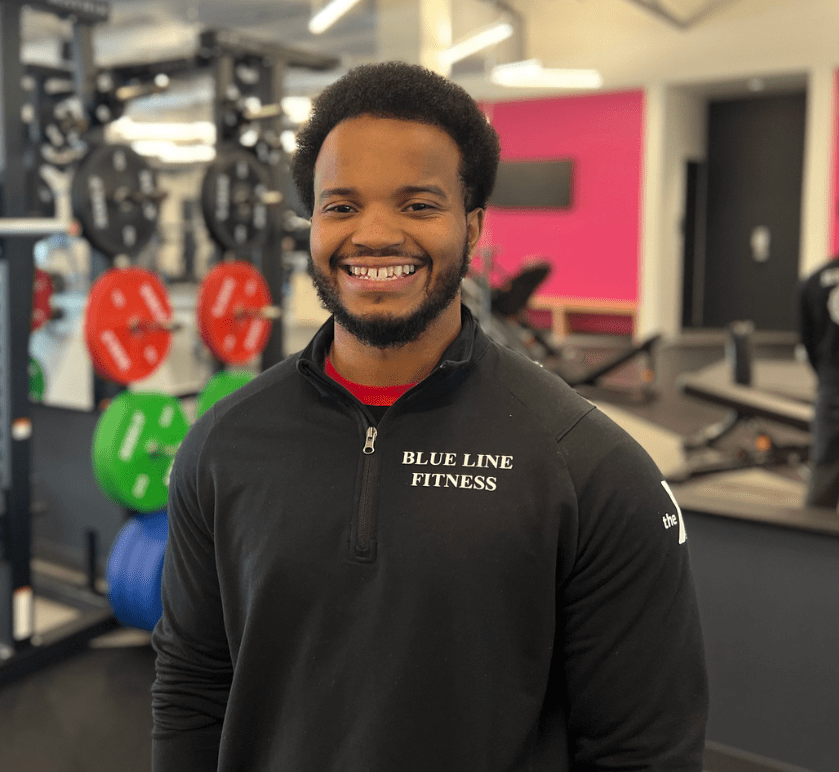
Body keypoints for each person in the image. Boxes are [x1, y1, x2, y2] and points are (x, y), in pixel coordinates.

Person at [151, 61, 709, 771]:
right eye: (341, 206)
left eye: (417, 205)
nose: (374, 234)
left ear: (472, 226)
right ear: (312, 223)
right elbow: (193, 685)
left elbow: (644, 751)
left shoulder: (592, 471)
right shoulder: (222, 444)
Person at [797, 255, 839, 508]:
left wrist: (827, 376)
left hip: (831, 388)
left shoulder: (814, 281)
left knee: (824, 476)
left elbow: (808, 341)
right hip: (831, 386)